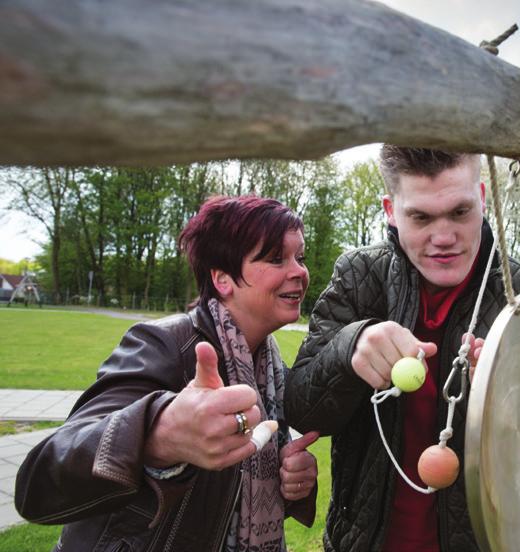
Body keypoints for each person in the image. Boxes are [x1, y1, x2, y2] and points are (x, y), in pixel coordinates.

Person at [16, 195, 319, 552]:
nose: (299, 271)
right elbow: (41, 479)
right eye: (275, 258)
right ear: (222, 279)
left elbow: (236, 499)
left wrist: (293, 479)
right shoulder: (165, 343)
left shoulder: (268, 368)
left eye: (299, 257)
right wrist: (158, 436)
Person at [285, 146, 520, 551]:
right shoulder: (359, 276)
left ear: (482, 196)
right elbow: (301, 408)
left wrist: (506, 396)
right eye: (420, 217)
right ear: (391, 209)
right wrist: (348, 349)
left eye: (460, 211)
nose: (443, 237)